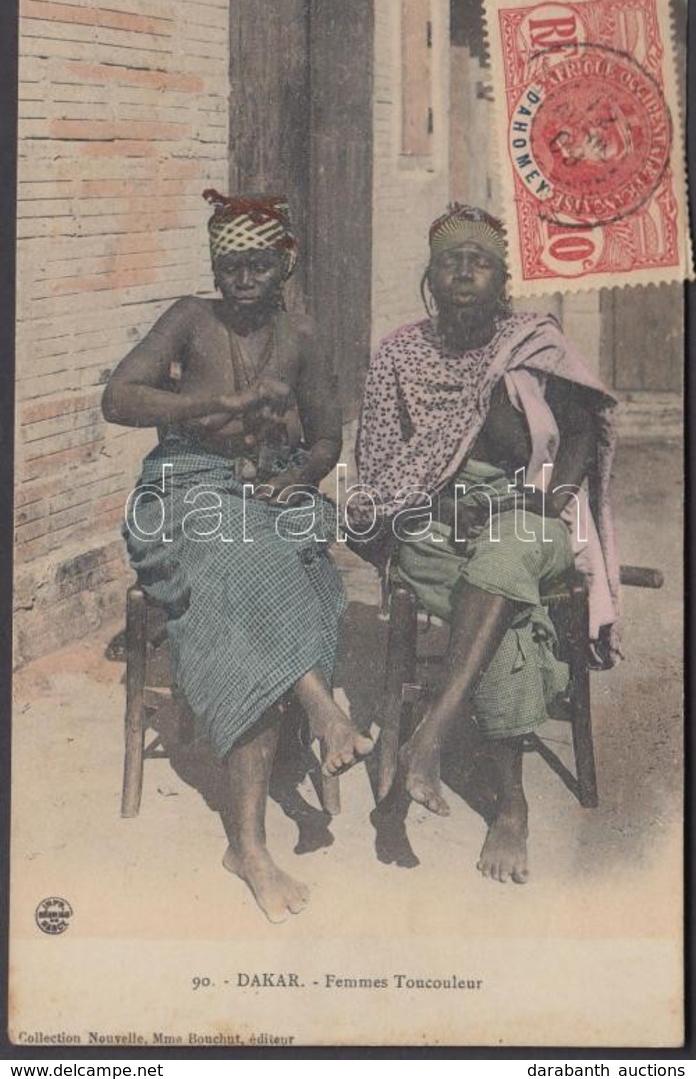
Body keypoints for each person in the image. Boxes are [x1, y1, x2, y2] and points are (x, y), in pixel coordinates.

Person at [102, 190, 372, 923]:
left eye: (257, 266)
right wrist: (207, 407)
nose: (242, 281)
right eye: (230, 268)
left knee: (298, 565)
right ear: (216, 272)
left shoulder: (302, 336)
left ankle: (245, 840)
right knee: (249, 558)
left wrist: (297, 476)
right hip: (185, 486)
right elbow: (119, 398)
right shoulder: (191, 319)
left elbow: (325, 437)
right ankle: (318, 716)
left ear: (282, 267)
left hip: (272, 490)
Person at [353, 203, 620, 885]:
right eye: (451, 261)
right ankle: (512, 805)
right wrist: (436, 505)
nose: (465, 272)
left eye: (480, 262)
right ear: (430, 278)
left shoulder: (533, 343)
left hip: (528, 511)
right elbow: (381, 467)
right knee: (500, 609)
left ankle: (431, 732)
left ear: (503, 281)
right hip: (434, 521)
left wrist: (544, 499)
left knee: (504, 560)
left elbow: (585, 433)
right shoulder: (399, 356)